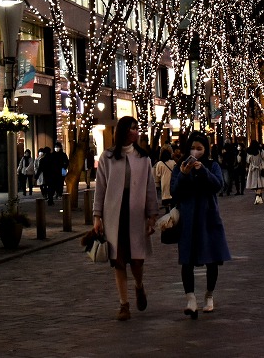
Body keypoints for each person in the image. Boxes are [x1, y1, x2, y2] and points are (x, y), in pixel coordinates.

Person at [92, 117, 159, 321]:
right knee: (118, 261)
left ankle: (139, 286)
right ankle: (124, 304)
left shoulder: (143, 158)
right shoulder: (108, 157)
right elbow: (100, 188)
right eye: (132, 128)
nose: (136, 132)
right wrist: (97, 216)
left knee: (137, 261)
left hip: (136, 214)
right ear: (123, 131)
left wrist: (152, 215)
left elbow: (149, 188)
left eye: (137, 128)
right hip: (115, 214)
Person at [171, 132, 231, 319]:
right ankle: (190, 299)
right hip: (188, 219)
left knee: (212, 258)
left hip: (208, 218)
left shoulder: (212, 165)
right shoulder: (180, 167)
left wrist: (203, 170)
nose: (195, 152)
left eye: (199, 148)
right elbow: (174, 191)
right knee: (187, 260)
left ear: (206, 149)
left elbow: (218, 185)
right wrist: (184, 174)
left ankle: (209, 295)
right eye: (192, 148)